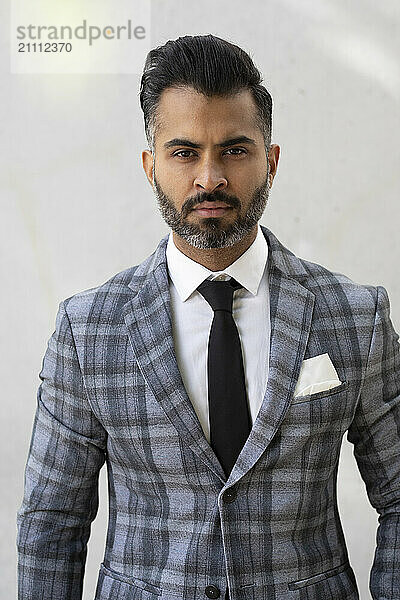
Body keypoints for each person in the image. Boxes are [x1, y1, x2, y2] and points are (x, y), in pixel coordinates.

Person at [16, 34, 400, 600]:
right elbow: (51, 523)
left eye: (235, 150)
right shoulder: (88, 329)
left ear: (271, 160)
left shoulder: (354, 317)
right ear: (151, 165)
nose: (210, 177)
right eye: (184, 151)